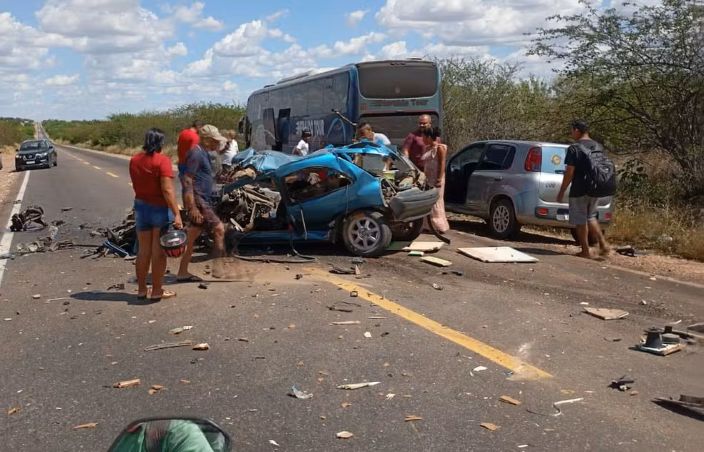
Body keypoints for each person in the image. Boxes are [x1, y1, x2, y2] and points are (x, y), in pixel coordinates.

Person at [129, 128, 183, 301]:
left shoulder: (134, 160)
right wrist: (177, 214)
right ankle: (157, 291)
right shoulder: (162, 161)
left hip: (141, 207)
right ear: (160, 142)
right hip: (159, 208)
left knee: (143, 251)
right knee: (158, 252)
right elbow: (167, 190)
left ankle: (142, 290)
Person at [177, 124, 234, 280]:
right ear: (207, 140)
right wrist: (192, 207)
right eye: (215, 140)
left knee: (191, 237)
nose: (217, 143)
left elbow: (205, 176)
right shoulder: (196, 154)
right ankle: (218, 269)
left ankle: (182, 271)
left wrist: (224, 178)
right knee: (219, 230)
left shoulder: (205, 153)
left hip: (203, 199)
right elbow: (187, 180)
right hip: (200, 201)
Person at [557, 119, 611, 259]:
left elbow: (569, 171)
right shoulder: (598, 146)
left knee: (580, 220)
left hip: (579, 188)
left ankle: (585, 251)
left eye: (572, 130)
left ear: (576, 130)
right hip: (596, 186)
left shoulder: (574, 148)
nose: (571, 133)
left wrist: (562, 190)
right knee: (591, 216)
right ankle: (603, 245)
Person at [420, 126, 450, 234]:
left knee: (436, 201)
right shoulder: (427, 148)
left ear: (428, 137)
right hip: (428, 178)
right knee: (428, 200)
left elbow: (442, 163)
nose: (422, 138)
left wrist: (439, 178)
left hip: (436, 178)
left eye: (423, 136)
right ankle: (427, 225)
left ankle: (438, 225)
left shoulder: (440, 148)